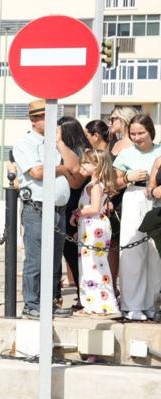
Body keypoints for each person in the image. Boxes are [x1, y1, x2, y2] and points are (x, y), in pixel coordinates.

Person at [13, 100, 78, 319]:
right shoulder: (25, 144)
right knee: (36, 258)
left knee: (53, 258)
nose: (51, 121)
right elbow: (38, 172)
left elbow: (74, 165)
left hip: (59, 208)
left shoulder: (55, 144)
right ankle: (31, 303)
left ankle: (49, 301)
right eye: (44, 116)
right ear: (34, 120)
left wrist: (59, 144)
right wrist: (61, 169)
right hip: (37, 208)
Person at [113, 114, 161, 320]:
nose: (137, 137)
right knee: (132, 250)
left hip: (157, 200)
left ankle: (152, 303)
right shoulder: (125, 154)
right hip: (133, 197)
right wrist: (127, 177)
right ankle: (132, 304)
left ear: (151, 131)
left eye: (141, 132)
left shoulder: (159, 152)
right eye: (133, 133)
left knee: (155, 253)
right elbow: (111, 184)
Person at [74, 149, 120, 316]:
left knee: (93, 265)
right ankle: (95, 302)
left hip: (94, 228)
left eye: (86, 162)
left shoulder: (94, 186)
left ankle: (98, 304)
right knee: (93, 264)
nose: (83, 165)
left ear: (97, 166)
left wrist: (79, 213)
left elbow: (93, 208)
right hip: (92, 228)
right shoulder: (97, 185)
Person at [57, 117, 91, 301]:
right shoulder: (61, 152)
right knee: (65, 252)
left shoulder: (85, 153)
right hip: (66, 204)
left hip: (78, 206)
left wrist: (63, 170)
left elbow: (77, 182)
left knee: (74, 253)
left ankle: (83, 294)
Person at [87, 119, 121, 291]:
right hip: (99, 208)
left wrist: (106, 197)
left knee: (109, 251)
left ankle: (109, 288)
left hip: (106, 209)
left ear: (96, 135)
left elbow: (113, 182)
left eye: (88, 135)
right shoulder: (93, 154)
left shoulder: (107, 155)